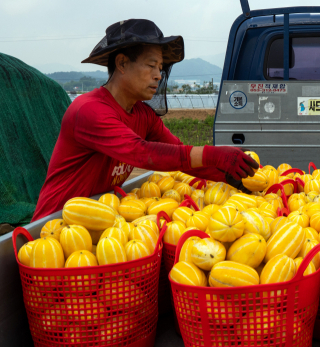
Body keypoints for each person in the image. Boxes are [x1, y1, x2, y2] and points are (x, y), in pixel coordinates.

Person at [33, 19, 258, 221]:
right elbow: (142, 152)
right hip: (54, 223)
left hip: (95, 220)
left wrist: (232, 177)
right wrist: (212, 153)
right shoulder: (89, 110)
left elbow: (179, 153)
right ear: (121, 64)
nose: (158, 75)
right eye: (151, 66)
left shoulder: (143, 115)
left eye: (160, 68)